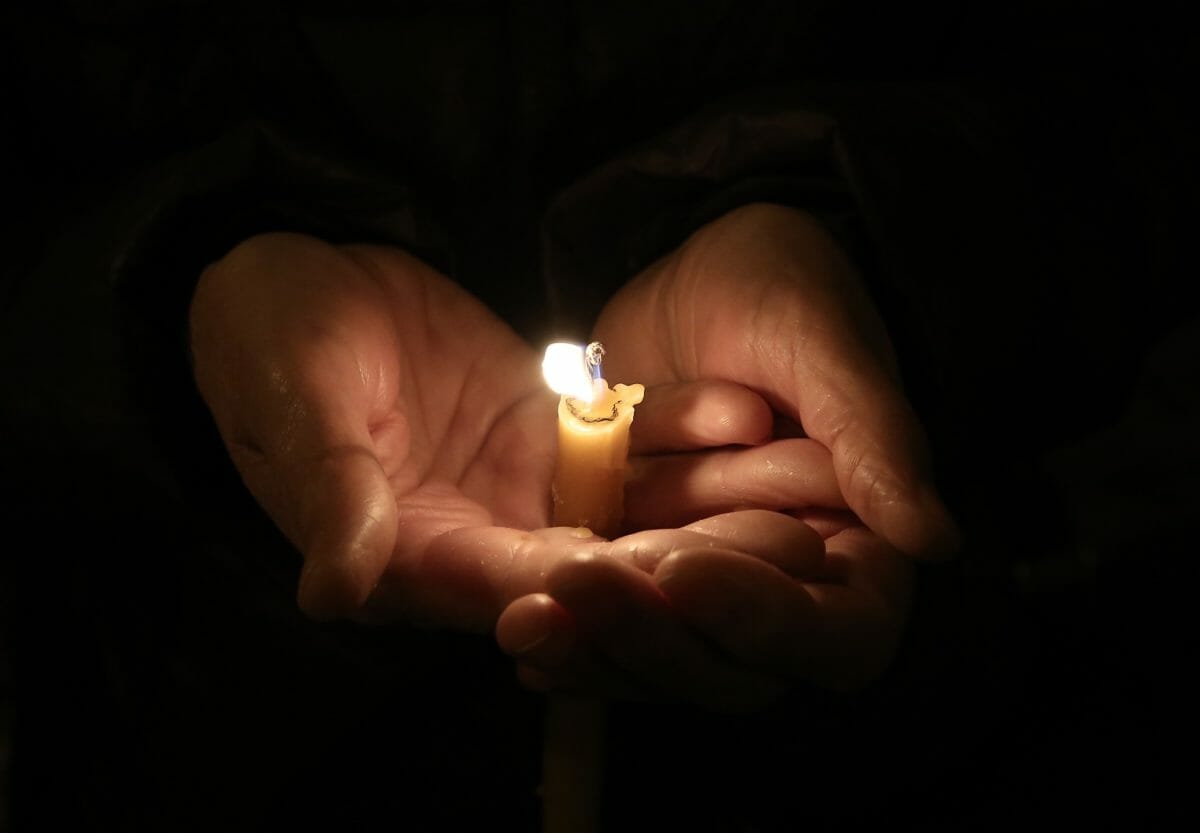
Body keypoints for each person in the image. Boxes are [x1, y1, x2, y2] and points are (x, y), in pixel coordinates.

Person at [2, 2, 1189, 831]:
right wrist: (170, 283)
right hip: (224, 714)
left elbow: (1122, 106)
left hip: (908, 745)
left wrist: (872, 236)